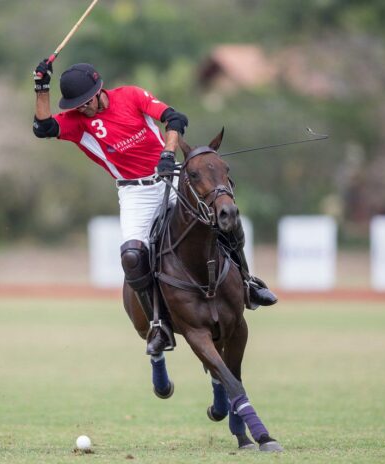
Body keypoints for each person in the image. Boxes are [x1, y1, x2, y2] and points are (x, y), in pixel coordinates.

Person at [31, 60, 277, 355]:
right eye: (77, 104)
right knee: (133, 256)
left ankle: (248, 284)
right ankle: (158, 325)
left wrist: (167, 153)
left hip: (170, 178)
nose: (82, 108)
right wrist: (41, 88)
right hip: (135, 194)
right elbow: (43, 127)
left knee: (224, 223)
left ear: (99, 91)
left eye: (86, 102)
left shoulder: (130, 96)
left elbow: (175, 119)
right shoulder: (78, 122)